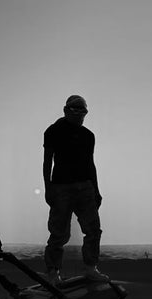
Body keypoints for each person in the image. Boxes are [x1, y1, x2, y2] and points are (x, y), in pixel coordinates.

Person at [43, 95, 109, 285]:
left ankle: (91, 268)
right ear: (66, 110)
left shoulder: (88, 136)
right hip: (61, 188)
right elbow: (47, 162)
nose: (79, 114)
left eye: (83, 110)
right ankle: (53, 273)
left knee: (93, 230)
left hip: (85, 188)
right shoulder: (53, 131)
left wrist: (96, 190)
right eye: (75, 109)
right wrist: (48, 188)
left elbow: (90, 164)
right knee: (59, 234)